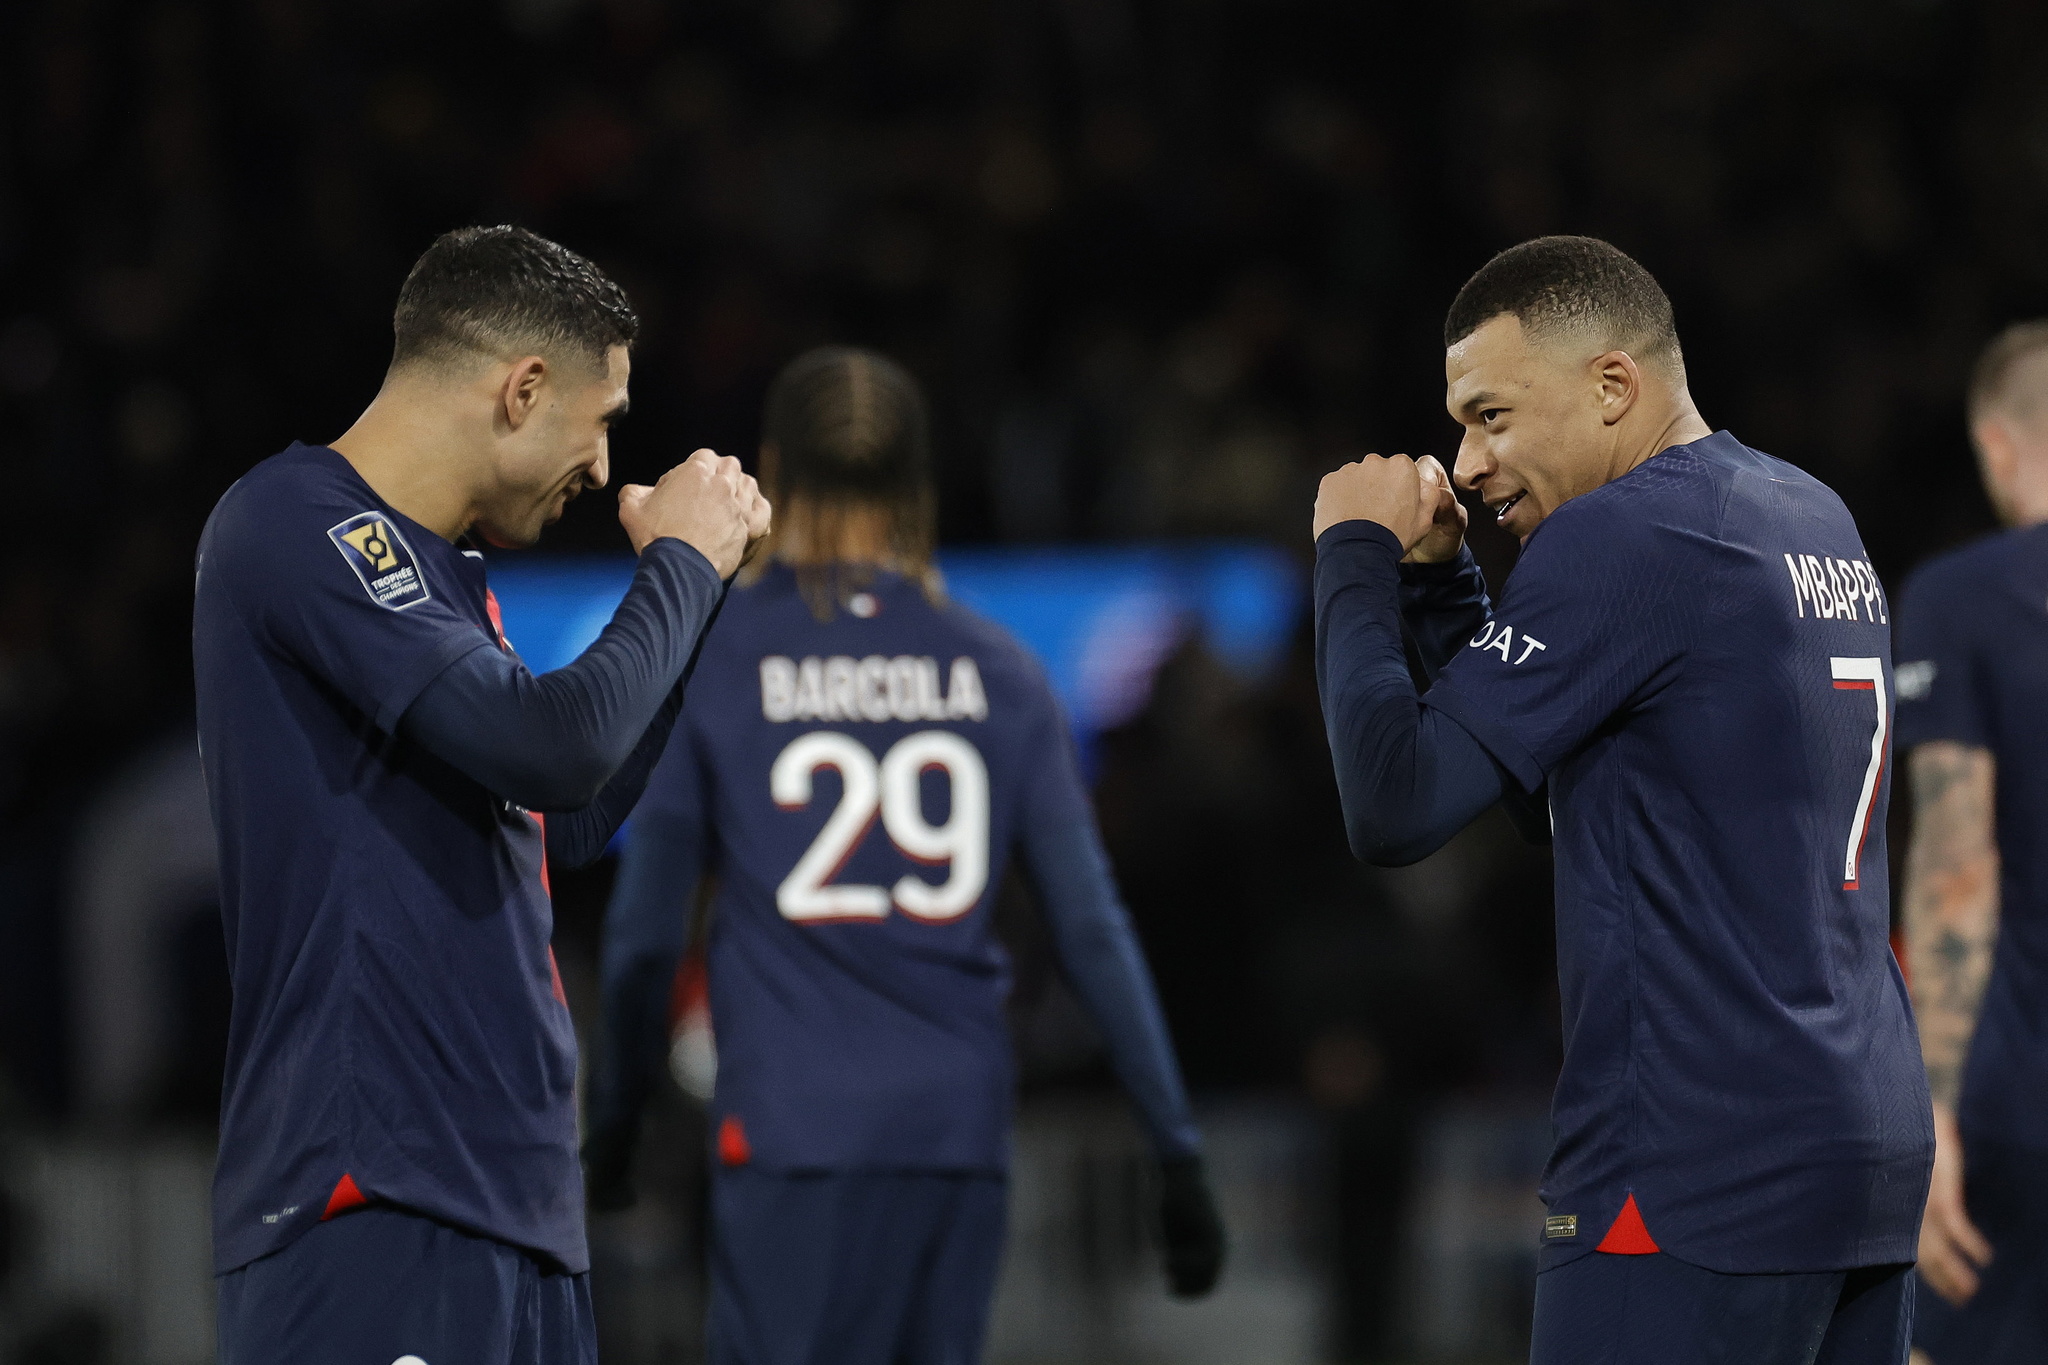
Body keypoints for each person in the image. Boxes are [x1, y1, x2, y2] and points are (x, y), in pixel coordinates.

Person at [1310, 236, 1931, 1363]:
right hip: (1858, 1149)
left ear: (1611, 387)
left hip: (1691, 1162)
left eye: (1491, 416)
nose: (1469, 460)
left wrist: (1350, 557)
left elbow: (1393, 806)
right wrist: (1446, 589)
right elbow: (1576, 801)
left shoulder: (1626, 533)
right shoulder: (1804, 514)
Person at [194, 224, 770, 1365]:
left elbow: (564, 816)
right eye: (602, 424)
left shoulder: (449, 579)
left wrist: (699, 606)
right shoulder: (300, 523)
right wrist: (680, 566)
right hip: (379, 1193)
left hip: (514, 1213)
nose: (605, 469)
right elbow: (554, 746)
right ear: (522, 389)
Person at [582, 345, 1226, 1365]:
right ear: (916, 481)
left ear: (772, 471)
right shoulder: (1001, 673)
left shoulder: (722, 655)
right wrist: (1174, 1150)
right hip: (953, 1130)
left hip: (789, 1126)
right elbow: (1089, 930)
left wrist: (614, 1120)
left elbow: (648, 928)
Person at [1896, 321, 2048, 1364]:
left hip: (2021, 1114)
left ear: (1996, 444)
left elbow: (1957, 870)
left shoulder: (1963, 597)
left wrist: (1930, 1118)